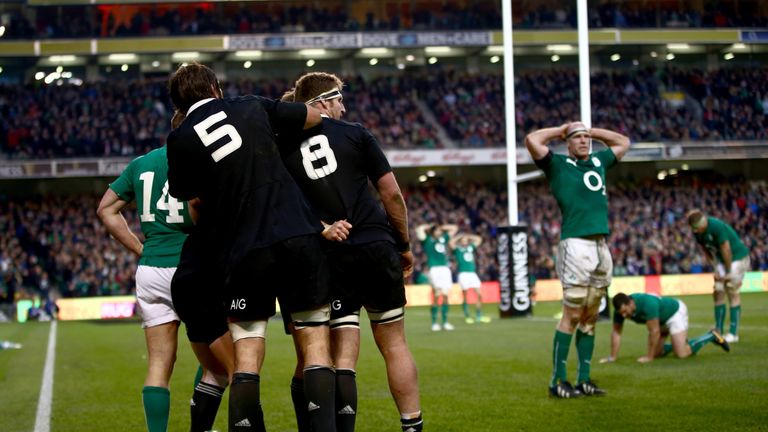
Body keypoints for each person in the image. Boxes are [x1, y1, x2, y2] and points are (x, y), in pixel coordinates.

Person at [165, 62, 335, 432]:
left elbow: (186, 195)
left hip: (244, 249)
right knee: (316, 346)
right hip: (296, 234)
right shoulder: (249, 105)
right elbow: (311, 115)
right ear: (215, 87)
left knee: (245, 355)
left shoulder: (179, 139)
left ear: (177, 102)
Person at [278, 72, 423, 432]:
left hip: (334, 252)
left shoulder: (283, 146)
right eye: (339, 98)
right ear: (324, 101)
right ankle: (412, 426)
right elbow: (391, 194)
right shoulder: (356, 134)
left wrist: (321, 225)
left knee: (342, 354)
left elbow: (285, 204)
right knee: (394, 343)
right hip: (376, 244)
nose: (344, 106)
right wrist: (403, 245)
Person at [97, 141, 230, 432]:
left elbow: (105, 209)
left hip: (150, 269)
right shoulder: (199, 157)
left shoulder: (140, 163)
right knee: (218, 363)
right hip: (191, 267)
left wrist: (139, 247)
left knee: (158, 364)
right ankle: (203, 426)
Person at [524, 121, 630, 398]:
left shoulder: (598, 161)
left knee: (591, 315)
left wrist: (593, 131)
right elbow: (532, 140)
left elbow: (623, 142)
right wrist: (561, 129)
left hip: (600, 246)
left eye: (586, 137)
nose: (583, 141)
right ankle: (557, 380)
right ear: (567, 144)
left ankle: (584, 379)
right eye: (577, 138)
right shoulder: (557, 165)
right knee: (572, 314)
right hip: (576, 245)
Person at [601, 292, 729, 363]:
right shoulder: (619, 313)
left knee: (682, 354)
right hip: (661, 321)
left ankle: (711, 335)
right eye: (621, 313)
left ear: (631, 303)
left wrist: (649, 357)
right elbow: (616, 333)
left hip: (674, 313)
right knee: (658, 353)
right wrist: (612, 357)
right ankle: (678, 342)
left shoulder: (646, 304)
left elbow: (654, 331)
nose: (624, 315)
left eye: (625, 311)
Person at [687, 209, 750, 343]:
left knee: (732, 290)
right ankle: (719, 330)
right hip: (722, 261)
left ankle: (733, 334)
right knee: (718, 291)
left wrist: (728, 273)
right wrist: (716, 268)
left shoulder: (716, 226)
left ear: (703, 224)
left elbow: (726, 249)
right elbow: (706, 251)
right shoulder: (697, 233)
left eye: (696, 228)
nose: (695, 231)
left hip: (737, 258)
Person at [416, 223, 459, 332]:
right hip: (434, 269)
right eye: (437, 231)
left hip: (445, 269)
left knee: (445, 295)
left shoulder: (444, 238)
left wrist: (442, 227)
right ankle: (434, 323)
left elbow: (454, 228)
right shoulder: (428, 240)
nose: (439, 232)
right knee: (437, 294)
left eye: (440, 231)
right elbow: (419, 229)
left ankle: (445, 322)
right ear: (432, 232)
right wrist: (429, 226)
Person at [449, 233, 490, 324]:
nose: (465, 241)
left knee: (479, 294)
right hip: (463, 274)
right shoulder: (458, 249)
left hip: (472, 274)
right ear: (460, 242)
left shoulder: (470, 247)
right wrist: (459, 236)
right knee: (465, 295)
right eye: (463, 240)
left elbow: (479, 239)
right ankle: (467, 316)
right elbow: (451, 243)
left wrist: (468, 235)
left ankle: (479, 316)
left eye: (466, 240)